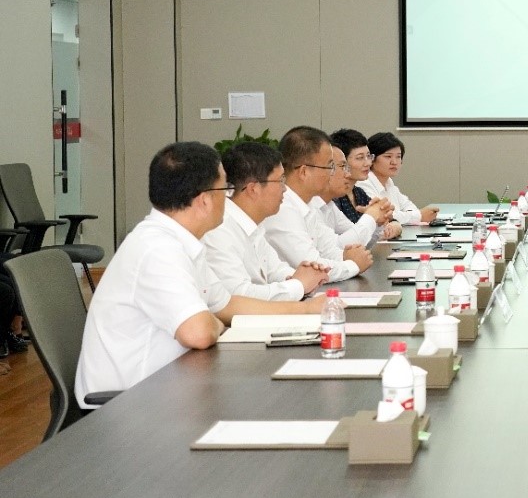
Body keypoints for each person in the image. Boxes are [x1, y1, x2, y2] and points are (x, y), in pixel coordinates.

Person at [76, 142, 325, 406]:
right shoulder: (156, 248)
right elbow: (199, 332)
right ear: (205, 200)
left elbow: (226, 304)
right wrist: (213, 321)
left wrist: (305, 310)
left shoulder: (183, 242)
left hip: (168, 386)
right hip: (127, 404)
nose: (229, 198)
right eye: (226, 189)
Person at [203, 142, 330, 300]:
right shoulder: (220, 229)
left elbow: (275, 270)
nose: (285, 188)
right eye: (280, 181)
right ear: (253, 189)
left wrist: (304, 277)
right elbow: (238, 295)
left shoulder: (253, 223)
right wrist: (299, 285)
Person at [263, 126, 374, 280]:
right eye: (330, 166)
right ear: (304, 172)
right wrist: (352, 264)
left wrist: (347, 257)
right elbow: (313, 267)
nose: (333, 173)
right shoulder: (282, 208)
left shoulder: (308, 204)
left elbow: (329, 250)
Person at [328, 128, 402, 241]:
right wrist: (372, 216)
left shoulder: (359, 192)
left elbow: (385, 223)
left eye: (368, 156)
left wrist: (392, 225)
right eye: (360, 158)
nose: (368, 163)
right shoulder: (333, 197)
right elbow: (351, 238)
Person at [357, 132, 440, 225]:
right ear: (371, 158)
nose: (394, 162)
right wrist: (419, 216)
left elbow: (408, 206)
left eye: (398, 157)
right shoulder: (363, 183)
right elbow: (384, 215)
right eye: (388, 156)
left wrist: (416, 215)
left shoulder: (388, 182)